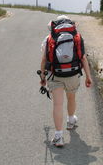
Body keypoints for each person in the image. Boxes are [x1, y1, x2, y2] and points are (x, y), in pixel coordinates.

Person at [39, 15, 92, 147]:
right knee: (71, 98)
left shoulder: (49, 38)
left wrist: (43, 78)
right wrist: (88, 77)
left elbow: (44, 59)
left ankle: (58, 136)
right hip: (73, 74)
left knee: (57, 105)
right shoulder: (77, 37)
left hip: (55, 74)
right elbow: (83, 58)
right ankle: (70, 121)